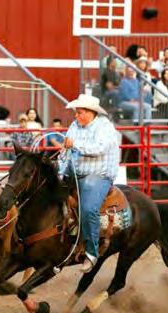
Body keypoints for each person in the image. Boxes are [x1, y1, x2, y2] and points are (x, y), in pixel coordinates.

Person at [59, 94, 120, 272]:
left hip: (98, 175)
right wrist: (61, 168)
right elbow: (66, 150)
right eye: (76, 112)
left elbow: (98, 149)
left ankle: (92, 253)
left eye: (80, 112)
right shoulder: (74, 125)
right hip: (75, 172)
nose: (76, 115)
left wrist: (74, 145)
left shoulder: (105, 127)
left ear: (91, 112)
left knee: (88, 208)